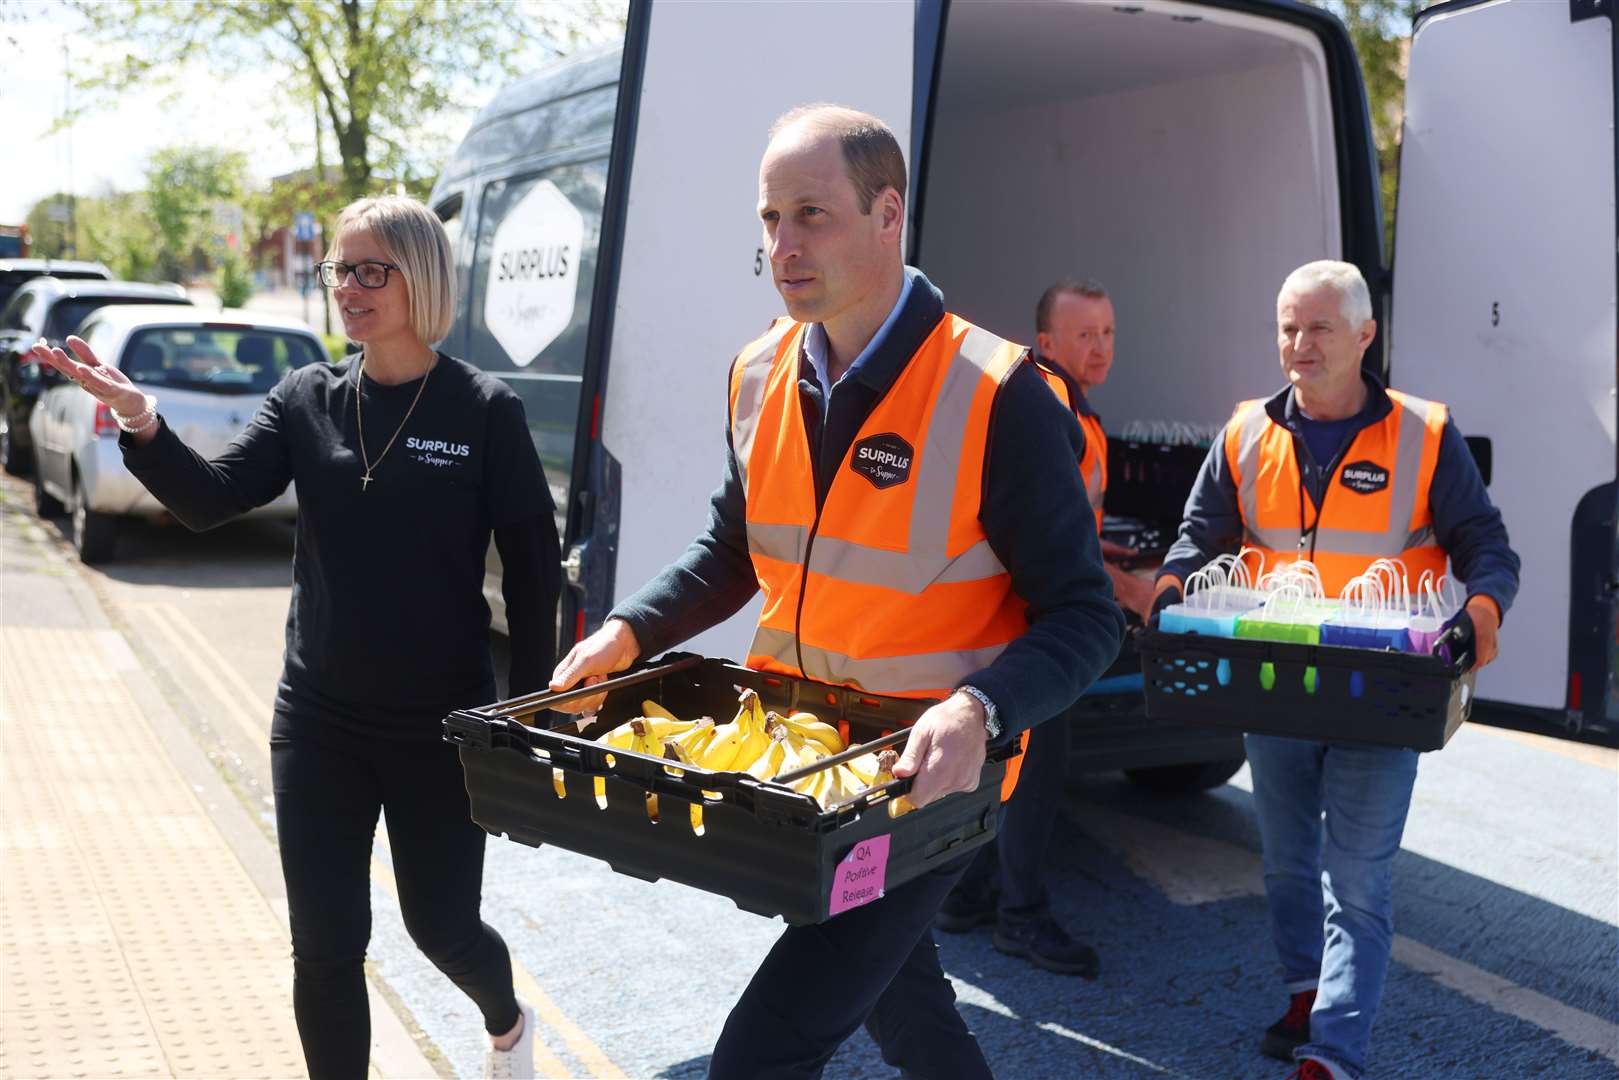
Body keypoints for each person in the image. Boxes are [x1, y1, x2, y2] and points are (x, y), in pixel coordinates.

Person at [548, 105, 1124, 1079]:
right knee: (902, 1007)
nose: (782, 245)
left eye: (810, 214)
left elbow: (1085, 616)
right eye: (769, 219)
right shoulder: (758, 370)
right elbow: (734, 548)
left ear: (887, 212)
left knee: (764, 1051)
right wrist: (627, 629)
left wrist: (980, 707)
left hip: (922, 783)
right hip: (805, 767)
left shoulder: (999, 393)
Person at [30, 195, 561, 1080]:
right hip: (318, 720)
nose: (346, 288)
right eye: (337, 270)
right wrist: (140, 420)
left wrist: (530, 718)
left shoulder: (484, 411)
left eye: (369, 270)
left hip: (441, 727)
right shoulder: (307, 397)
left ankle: (507, 1025)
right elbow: (209, 500)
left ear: (419, 277)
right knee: (325, 947)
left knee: (442, 928)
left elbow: (536, 574)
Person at [1149, 259, 1520, 1080]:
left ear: (1363, 335)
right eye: (1286, 325)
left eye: (1317, 327)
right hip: (1272, 681)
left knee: (1355, 878)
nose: (1297, 343)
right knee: (1285, 861)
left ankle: (1334, 1052)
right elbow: (1198, 531)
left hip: (1382, 690)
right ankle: (1302, 986)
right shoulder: (1246, 431)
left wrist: (1481, 613)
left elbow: (1487, 549)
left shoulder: (1423, 433)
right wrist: (1173, 584)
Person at [936, 278, 1149, 976]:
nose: (1099, 347)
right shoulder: (1049, 408)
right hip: (1032, 633)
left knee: (1008, 775)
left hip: (1030, 627)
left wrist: (1106, 553)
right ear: (1047, 343)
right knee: (1031, 778)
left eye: (1108, 332)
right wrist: (1137, 593)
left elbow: (1065, 527)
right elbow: (1062, 555)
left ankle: (966, 896)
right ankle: (1019, 919)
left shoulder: (1080, 415)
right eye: (1083, 334)